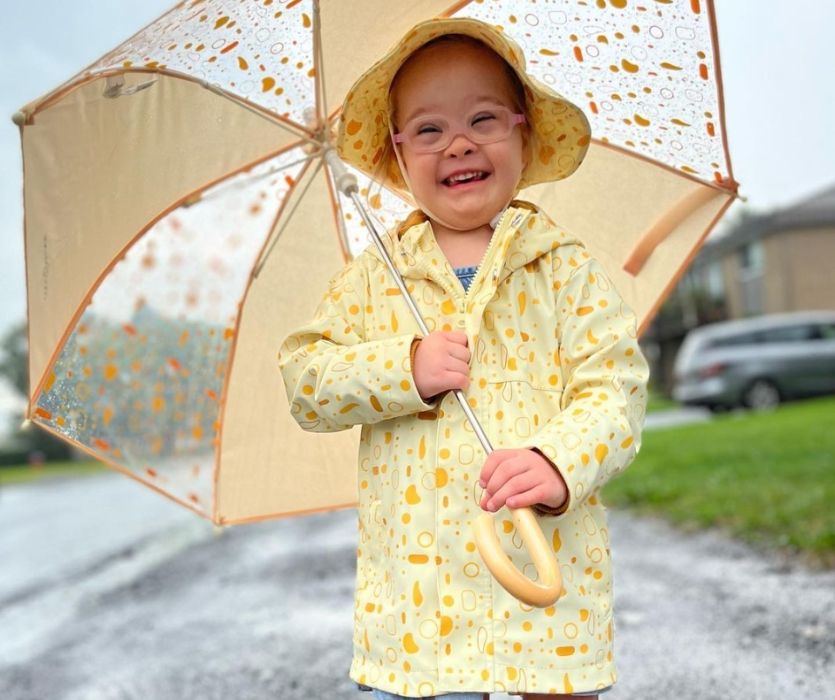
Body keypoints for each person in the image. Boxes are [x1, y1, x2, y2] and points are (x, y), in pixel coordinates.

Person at [278, 17, 648, 700]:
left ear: (521, 131)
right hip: (423, 607)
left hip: (544, 578)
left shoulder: (561, 268)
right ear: (395, 154)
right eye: (426, 130)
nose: (457, 143)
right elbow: (306, 381)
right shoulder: (373, 279)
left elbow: (615, 389)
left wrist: (556, 461)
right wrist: (404, 369)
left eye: (482, 118)